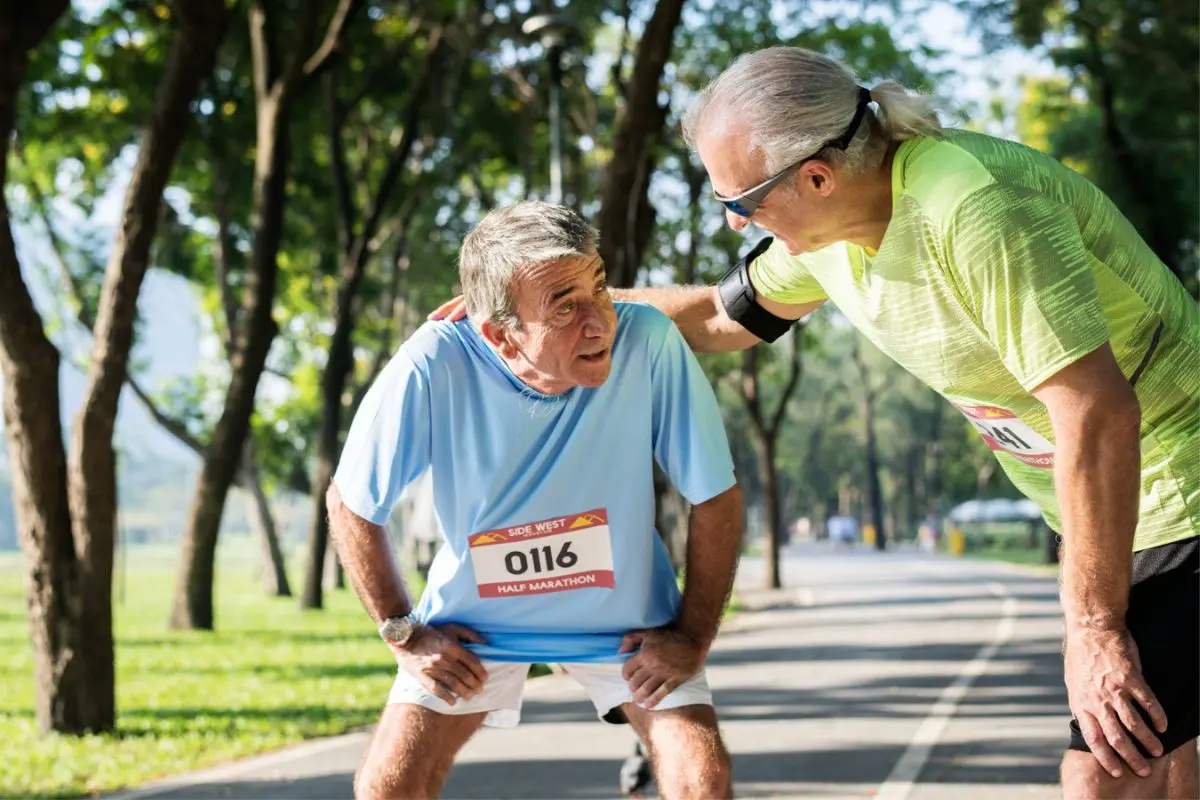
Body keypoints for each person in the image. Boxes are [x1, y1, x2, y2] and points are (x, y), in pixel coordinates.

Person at [430, 44, 1198, 800]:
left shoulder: (971, 207)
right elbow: (717, 317)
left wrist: (1092, 628)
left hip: (1174, 480)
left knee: (1107, 765)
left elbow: (1095, 409)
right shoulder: (829, 235)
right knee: (1170, 760)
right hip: (1105, 502)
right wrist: (547, 311)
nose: (735, 224)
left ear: (817, 177)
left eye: (741, 203)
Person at [328, 201, 741, 800]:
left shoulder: (649, 340)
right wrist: (404, 632)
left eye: (599, 287)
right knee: (386, 787)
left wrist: (693, 637)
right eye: (564, 307)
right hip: (476, 631)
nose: (599, 323)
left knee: (703, 781)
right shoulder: (433, 361)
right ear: (500, 335)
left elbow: (716, 496)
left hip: (627, 631)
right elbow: (351, 502)